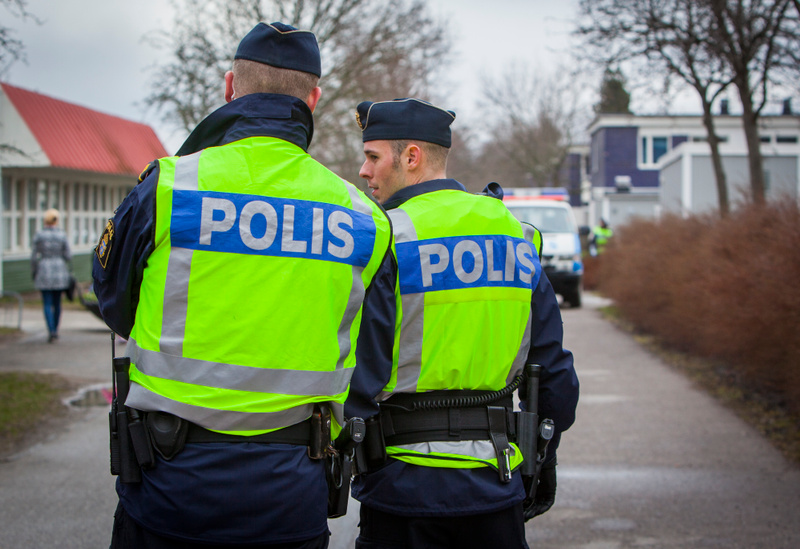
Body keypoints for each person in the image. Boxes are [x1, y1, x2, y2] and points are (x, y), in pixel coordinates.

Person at [92, 22, 392, 548]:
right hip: (291, 490)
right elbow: (371, 348)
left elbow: (116, 304)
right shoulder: (362, 216)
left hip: (169, 482)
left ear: (230, 87)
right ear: (314, 100)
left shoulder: (169, 185)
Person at [346, 98, 580, 549]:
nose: (363, 170)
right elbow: (554, 376)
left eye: (372, 156)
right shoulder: (516, 233)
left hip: (402, 489)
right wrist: (541, 457)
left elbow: (361, 372)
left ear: (410, 157)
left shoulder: (386, 237)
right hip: (496, 482)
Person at [31, 208, 72, 343]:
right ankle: (56, 329)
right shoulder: (61, 235)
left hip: (44, 269)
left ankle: (51, 330)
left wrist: (34, 271)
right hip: (59, 270)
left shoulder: (39, 235)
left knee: (47, 303)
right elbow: (68, 255)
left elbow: (33, 257)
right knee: (57, 302)